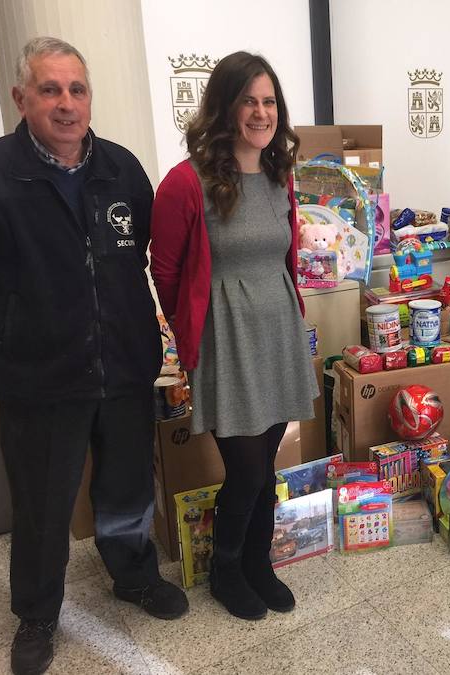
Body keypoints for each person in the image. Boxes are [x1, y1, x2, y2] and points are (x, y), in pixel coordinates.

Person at [0, 37, 188, 675]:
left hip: (123, 365)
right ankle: (38, 614)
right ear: (22, 98)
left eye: (77, 89)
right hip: (39, 378)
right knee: (43, 502)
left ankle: (133, 575)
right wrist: (9, 332)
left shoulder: (121, 169)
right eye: (50, 89)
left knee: (126, 485)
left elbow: (149, 259)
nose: (67, 104)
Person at [150, 51, 318, 620]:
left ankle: (257, 563)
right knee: (244, 468)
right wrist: (194, 335)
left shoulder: (277, 175)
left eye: (269, 101)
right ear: (224, 106)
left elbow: (285, 255)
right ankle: (226, 570)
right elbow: (166, 271)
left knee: (265, 464)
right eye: (249, 99)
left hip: (276, 329)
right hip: (226, 340)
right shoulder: (185, 182)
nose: (261, 112)